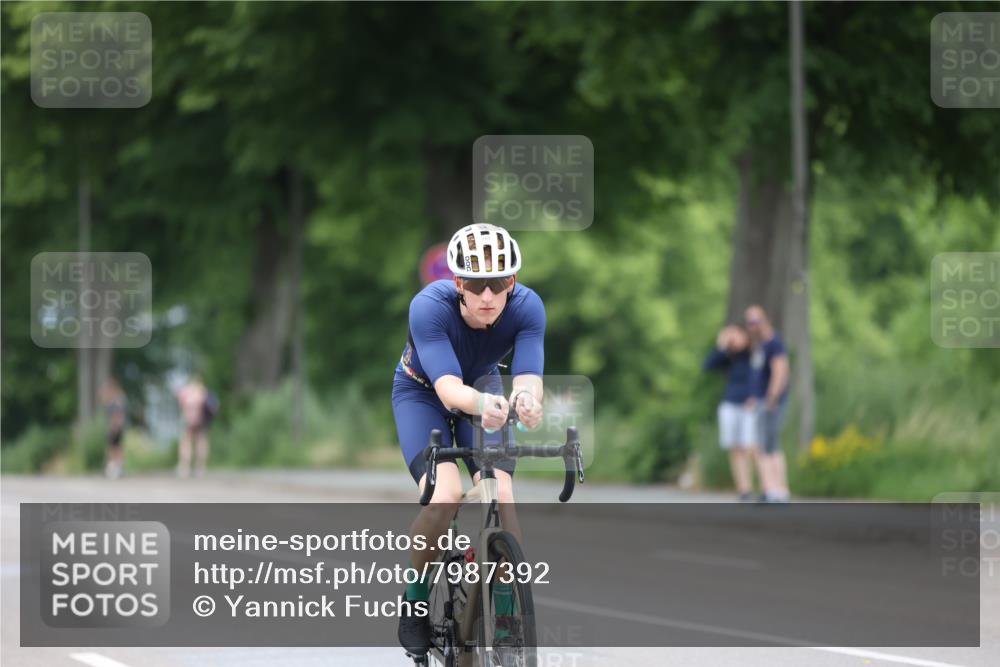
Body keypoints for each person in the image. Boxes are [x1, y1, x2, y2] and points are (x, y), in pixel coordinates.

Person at [393, 223, 545, 656]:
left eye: (499, 283)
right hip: (423, 394)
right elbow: (447, 390)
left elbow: (529, 376)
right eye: (477, 285)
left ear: (513, 281)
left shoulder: (528, 307)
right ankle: (416, 596)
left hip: (482, 388)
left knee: (502, 490)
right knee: (446, 495)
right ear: (458, 282)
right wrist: (485, 403)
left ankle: (506, 611)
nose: (488, 296)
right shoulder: (428, 307)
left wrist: (526, 401)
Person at [703, 324, 759, 502]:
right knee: (736, 448)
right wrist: (722, 345)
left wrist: (755, 395)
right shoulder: (728, 356)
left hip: (750, 405)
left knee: (751, 446)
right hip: (730, 403)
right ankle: (744, 489)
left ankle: (765, 485)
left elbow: (761, 376)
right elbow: (708, 366)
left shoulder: (754, 354)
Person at [745, 305, 791, 503]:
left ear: (766, 320)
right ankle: (772, 489)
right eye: (749, 323)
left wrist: (772, 397)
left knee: (766, 445)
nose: (753, 326)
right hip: (761, 400)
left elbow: (780, 371)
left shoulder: (774, 343)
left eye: (756, 321)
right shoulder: (762, 345)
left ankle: (776, 489)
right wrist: (755, 396)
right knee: (766, 445)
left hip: (771, 402)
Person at [175, 375, 211, 478]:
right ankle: (201, 467)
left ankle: (185, 467)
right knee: (201, 441)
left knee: (186, 442)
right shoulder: (203, 391)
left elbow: (180, 402)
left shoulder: (187, 391)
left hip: (188, 420)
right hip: (201, 421)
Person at [100, 377, 128, 479]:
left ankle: (115, 468)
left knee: (114, 448)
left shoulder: (117, 400)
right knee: (115, 447)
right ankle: (116, 468)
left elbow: (118, 415)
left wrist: (114, 426)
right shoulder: (114, 399)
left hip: (115, 427)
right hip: (116, 427)